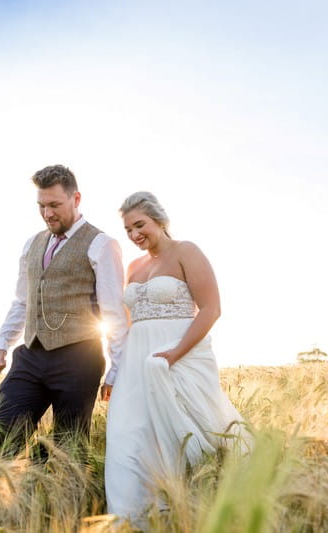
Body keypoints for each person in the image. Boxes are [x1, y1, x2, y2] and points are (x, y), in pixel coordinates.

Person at [104, 191, 250, 521]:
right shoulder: (134, 266)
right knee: (125, 433)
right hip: (135, 362)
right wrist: (114, 370)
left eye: (139, 225)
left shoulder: (187, 251)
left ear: (159, 220)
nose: (134, 235)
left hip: (177, 355)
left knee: (178, 433)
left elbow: (211, 309)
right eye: (128, 229)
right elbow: (128, 322)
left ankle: (183, 510)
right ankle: (129, 519)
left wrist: (173, 354)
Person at [0, 164, 127, 456]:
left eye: (55, 205)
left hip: (78, 360)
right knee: (3, 435)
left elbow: (114, 313)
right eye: (41, 206)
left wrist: (116, 370)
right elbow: (23, 300)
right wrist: (3, 341)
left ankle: (60, 500)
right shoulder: (32, 244)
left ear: (76, 199)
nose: (47, 213)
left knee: (67, 452)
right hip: (30, 357)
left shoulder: (102, 245)